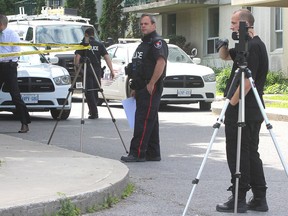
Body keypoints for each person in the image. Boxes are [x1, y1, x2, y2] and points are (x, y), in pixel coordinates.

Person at [215, 9, 269, 213]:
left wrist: (231, 103)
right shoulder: (247, 46)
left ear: (246, 24)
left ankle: (239, 197)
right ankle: (259, 198)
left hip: (244, 109)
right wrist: (222, 46)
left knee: (238, 153)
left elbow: (247, 82)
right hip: (251, 109)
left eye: (234, 23)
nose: (231, 27)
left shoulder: (254, 47)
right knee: (250, 152)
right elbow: (227, 57)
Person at [120, 14, 168, 162]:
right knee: (150, 119)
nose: (143, 26)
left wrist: (152, 83)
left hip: (150, 87)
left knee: (143, 119)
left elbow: (161, 63)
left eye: (146, 24)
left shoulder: (157, 43)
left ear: (154, 25)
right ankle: (153, 152)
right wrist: (135, 86)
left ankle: (137, 153)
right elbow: (139, 67)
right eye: (141, 24)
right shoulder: (144, 44)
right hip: (141, 86)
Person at [74, 28, 114, 119]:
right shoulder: (99, 44)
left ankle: (93, 112)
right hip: (97, 70)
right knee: (95, 89)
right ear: (93, 34)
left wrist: (77, 68)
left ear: (86, 35)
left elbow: (77, 58)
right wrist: (111, 70)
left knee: (88, 91)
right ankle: (93, 108)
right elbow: (107, 57)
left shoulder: (83, 45)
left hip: (87, 70)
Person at [0, 14, 31, 133]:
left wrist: (5, 59)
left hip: (9, 66)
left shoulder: (12, 34)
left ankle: (25, 123)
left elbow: (16, 52)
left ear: (1, 24)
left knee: (15, 95)